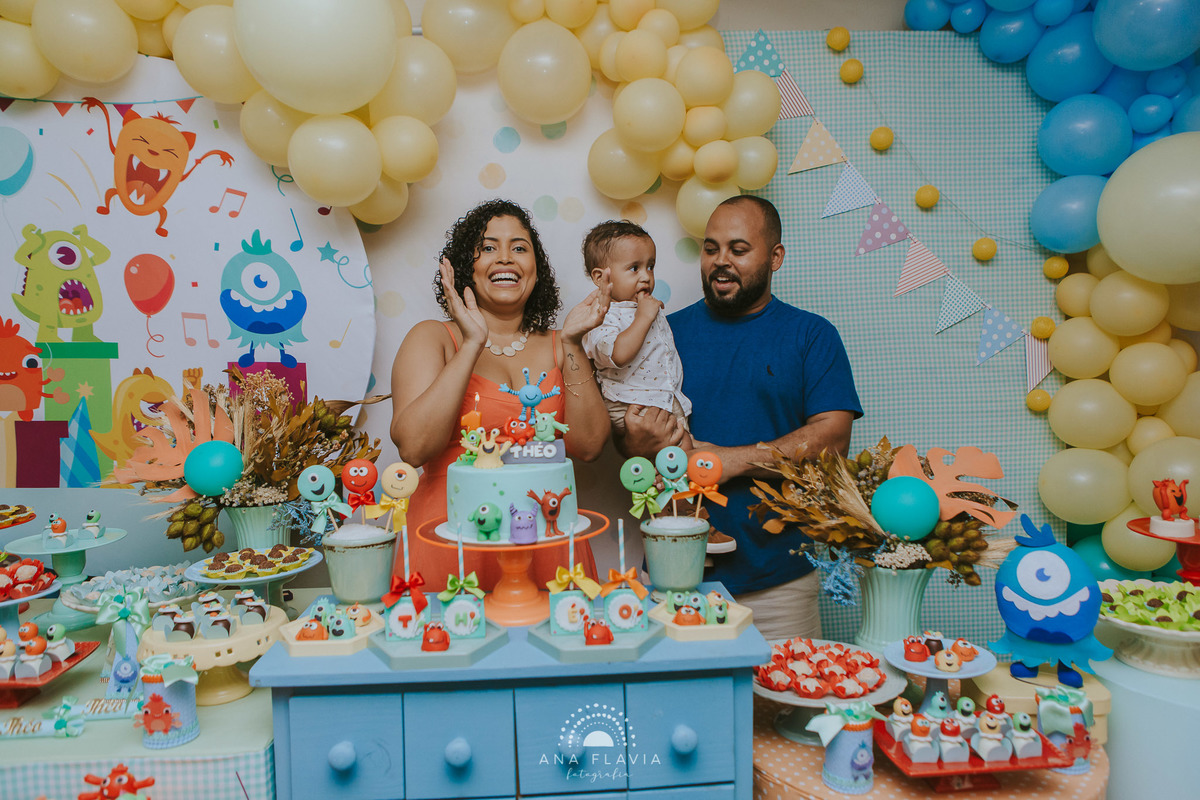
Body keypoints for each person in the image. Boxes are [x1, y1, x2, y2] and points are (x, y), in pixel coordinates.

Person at [620, 195, 862, 640]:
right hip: (678, 571)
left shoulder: (811, 335)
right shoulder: (661, 335)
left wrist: (729, 461)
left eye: (738, 249)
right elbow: (632, 436)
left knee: (786, 699)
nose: (721, 262)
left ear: (775, 257)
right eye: (711, 249)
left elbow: (834, 438)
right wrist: (638, 443)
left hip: (779, 577)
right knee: (684, 706)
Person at [390, 199, 611, 590]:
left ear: (536, 269)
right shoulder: (432, 338)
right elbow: (414, 447)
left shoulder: (564, 343)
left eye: (520, 248)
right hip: (447, 537)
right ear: (465, 266)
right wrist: (473, 342)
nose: (505, 258)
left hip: (547, 534)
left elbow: (590, 445)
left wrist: (575, 344)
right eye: (488, 247)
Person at [579, 220, 691, 439]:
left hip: (663, 399)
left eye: (650, 266)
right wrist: (643, 317)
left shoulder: (643, 306)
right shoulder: (601, 315)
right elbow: (618, 355)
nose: (646, 276)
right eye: (634, 268)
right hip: (631, 404)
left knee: (686, 456)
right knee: (682, 455)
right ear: (600, 278)